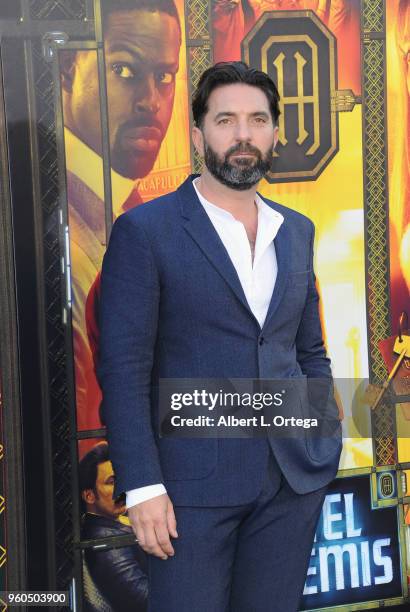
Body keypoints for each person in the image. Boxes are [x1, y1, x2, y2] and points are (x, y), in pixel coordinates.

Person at [98, 61, 342, 611]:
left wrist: (320, 440)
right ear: (198, 133)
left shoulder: (295, 230)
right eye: (226, 119)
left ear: (275, 131)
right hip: (188, 495)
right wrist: (142, 485)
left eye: (258, 120)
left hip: (289, 482)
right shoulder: (146, 231)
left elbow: (308, 351)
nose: (243, 135)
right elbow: (124, 368)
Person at [59, 0, 182, 431]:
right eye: (125, 70)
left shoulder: (129, 208)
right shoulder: (62, 237)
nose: (151, 101)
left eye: (164, 76)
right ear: (70, 67)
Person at [79, 441, 148, 611]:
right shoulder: (106, 541)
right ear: (89, 496)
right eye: (111, 482)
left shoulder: (115, 522)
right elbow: (144, 599)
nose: (121, 488)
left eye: (120, 478)